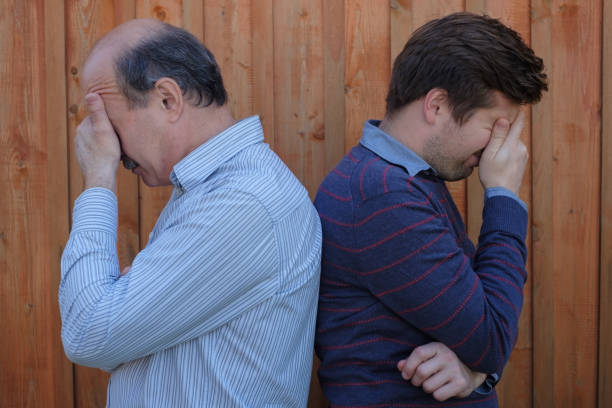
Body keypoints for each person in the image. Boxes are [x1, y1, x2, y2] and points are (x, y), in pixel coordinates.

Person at [59, 19, 322, 407]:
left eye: (109, 121)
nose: (106, 141)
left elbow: (89, 331)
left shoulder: (243, 203)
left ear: (168, 98)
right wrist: (124, 304)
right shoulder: (212, 191)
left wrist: (98, 178)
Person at [314, 12, 547, 407]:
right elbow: (491, 337)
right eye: (495, 126)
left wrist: (477, 373)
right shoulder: (381, 195)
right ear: (437, 105)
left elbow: (485, 328)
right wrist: (504, 197)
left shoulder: (406, 181)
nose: (499, 147)